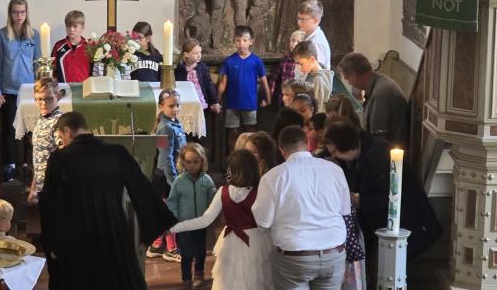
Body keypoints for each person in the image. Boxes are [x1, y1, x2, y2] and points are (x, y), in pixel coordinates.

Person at [39, 112, 177, 289]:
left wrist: (53, 243)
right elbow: (142, 188)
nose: (63, 143)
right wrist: (157, 222)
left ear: (67, 131)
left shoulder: (60, 158)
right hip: (112, 229)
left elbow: (52, 204)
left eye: (61, 138)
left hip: (77, 236)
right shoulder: (116, 153)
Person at [322, 118, 441, 287]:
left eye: (335, 151)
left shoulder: (378, 154)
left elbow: (390, 194)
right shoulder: (359, 151)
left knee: (390, 268)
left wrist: (361, 201)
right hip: (378, 219)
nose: (333, 156)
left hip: (405, 218)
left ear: (347, 145)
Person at [253, 126, 351, 290]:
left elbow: (263, 222)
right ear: (307, 143)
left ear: (281, 149)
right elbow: (345, 210)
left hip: (295, 256)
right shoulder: (335, 170)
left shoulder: (273, 177)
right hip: (332, 253)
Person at [171, 149, 273, 290]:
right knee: (255, 279)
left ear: (233, 170)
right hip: (256, 241)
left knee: (230, 280)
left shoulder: (223, 192)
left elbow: (204, 220)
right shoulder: (260, 191)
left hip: (230, 241)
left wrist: (174, 227)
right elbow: (266, 222)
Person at [0, 0, 40, 181]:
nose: (19, 15)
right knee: (10, 130)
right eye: (15, 12)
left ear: (27, 13)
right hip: (9, 89)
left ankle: (28, 163)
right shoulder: (2, 35)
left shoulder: (33, 34)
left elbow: (38, 64)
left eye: (22, 12)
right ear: (10, 13)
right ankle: (10, 164)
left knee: (30, 129)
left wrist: (40, 88)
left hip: (29, 90)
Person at [166, 144, 216, 288]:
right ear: (183, 162)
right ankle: (186, 278)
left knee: (200, 251)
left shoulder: (207, 180)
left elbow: (213, 199)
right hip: (184, 224)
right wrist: (173, 218)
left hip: (201, 223)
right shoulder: (179, 181)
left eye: (196, 161)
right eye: (188, 162)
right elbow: (172, 201)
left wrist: (210, 213)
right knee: (186, 253)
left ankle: (199, 274)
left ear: (202, 161)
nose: (192, 165)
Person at [338, 52, 409, 146]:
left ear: (354, 76)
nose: (349, 83)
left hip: (392, 157)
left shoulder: (379, 96)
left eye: (347, 78)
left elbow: (377, 139)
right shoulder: (380, 82)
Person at [149, 88, 187, 261]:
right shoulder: (165, 127)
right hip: (165, 177)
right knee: (169, 213)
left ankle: (156, 245)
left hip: (169, 175)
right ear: (161, 106)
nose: (175, 109)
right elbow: (165, 158)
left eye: (178, 105)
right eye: (171, 106)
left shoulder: (174, 123)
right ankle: (171, 249)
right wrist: (174, 181)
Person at [218, 26, 271, 150]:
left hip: (250, 102)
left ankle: (251, 155)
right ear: (234, 41)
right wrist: (217, 100)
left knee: (250, 132)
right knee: (233, 133)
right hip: (232, 103)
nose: (241, 44)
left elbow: (264, 81)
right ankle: (234, 156)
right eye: (238, 40)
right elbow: (222, 83)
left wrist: (268, 99)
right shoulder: (229, 61)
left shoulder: (256, 61)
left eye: (244, 40)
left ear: (251, 41)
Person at [27, 77, 64, 205]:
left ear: (58, 96)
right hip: (41, 187)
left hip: (55, 188)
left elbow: (65, 157)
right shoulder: (41, 119)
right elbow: (38, 159)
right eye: (39, 99)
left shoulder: (60, 122)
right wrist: (33, 188)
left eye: (48, 99)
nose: (43, 104)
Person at [292, 40, 333, 112]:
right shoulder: (321, 72)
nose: (299, 67)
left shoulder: (317, 79)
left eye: (301, 64)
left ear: (312, 59)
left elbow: (316, 108)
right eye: (297, 64)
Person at [51, 10, 90, 82]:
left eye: (75, 26)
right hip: (64, 90)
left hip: (85, 90)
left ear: (83, 28)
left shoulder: (90, 47)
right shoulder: (58, 46)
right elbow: (53, 70)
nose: (71, 30)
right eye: (68, 26)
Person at [268, 30, 306, 105]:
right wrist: (269, 96)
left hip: (299, 100)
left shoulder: (305, 62)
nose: (294, 44)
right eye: (293, 40)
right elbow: (273, 79)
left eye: (298, 42)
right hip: (284, 99)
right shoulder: (285, 59)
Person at [292, 0, 331, 70]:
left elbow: (317, 73)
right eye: (298, 18)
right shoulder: (306, 37)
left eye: (303, 19)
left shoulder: (316, 43)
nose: (299, 23)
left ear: (316, 20)